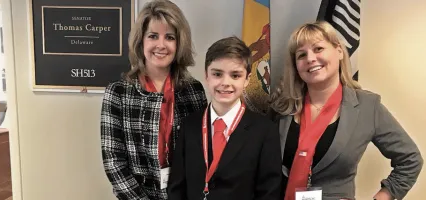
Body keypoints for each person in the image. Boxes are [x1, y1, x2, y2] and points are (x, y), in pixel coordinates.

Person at [267, 21, 423, 200]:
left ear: (339, 51)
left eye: (318, 49)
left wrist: (384, 196)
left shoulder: (367, 106)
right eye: (301, 55)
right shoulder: (282, 107)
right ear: (296, 65)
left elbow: (411, 159)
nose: (310, 58)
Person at [100, 1, 207, 199]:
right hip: (136, 194)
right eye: (153, 36)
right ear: (141, 42)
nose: (161, 45)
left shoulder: (194, 90)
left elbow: (200, 154)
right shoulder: (118, 92)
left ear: (179, 43)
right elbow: (114, 162)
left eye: (169, 37)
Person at [168, 36, 282, 200]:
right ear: (206, 76)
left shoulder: (264, 130)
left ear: (247, 80)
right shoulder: (190, 125)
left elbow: (269, 192)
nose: (225, 82)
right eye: (217, 74)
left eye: (235, 75)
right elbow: (176, 187)